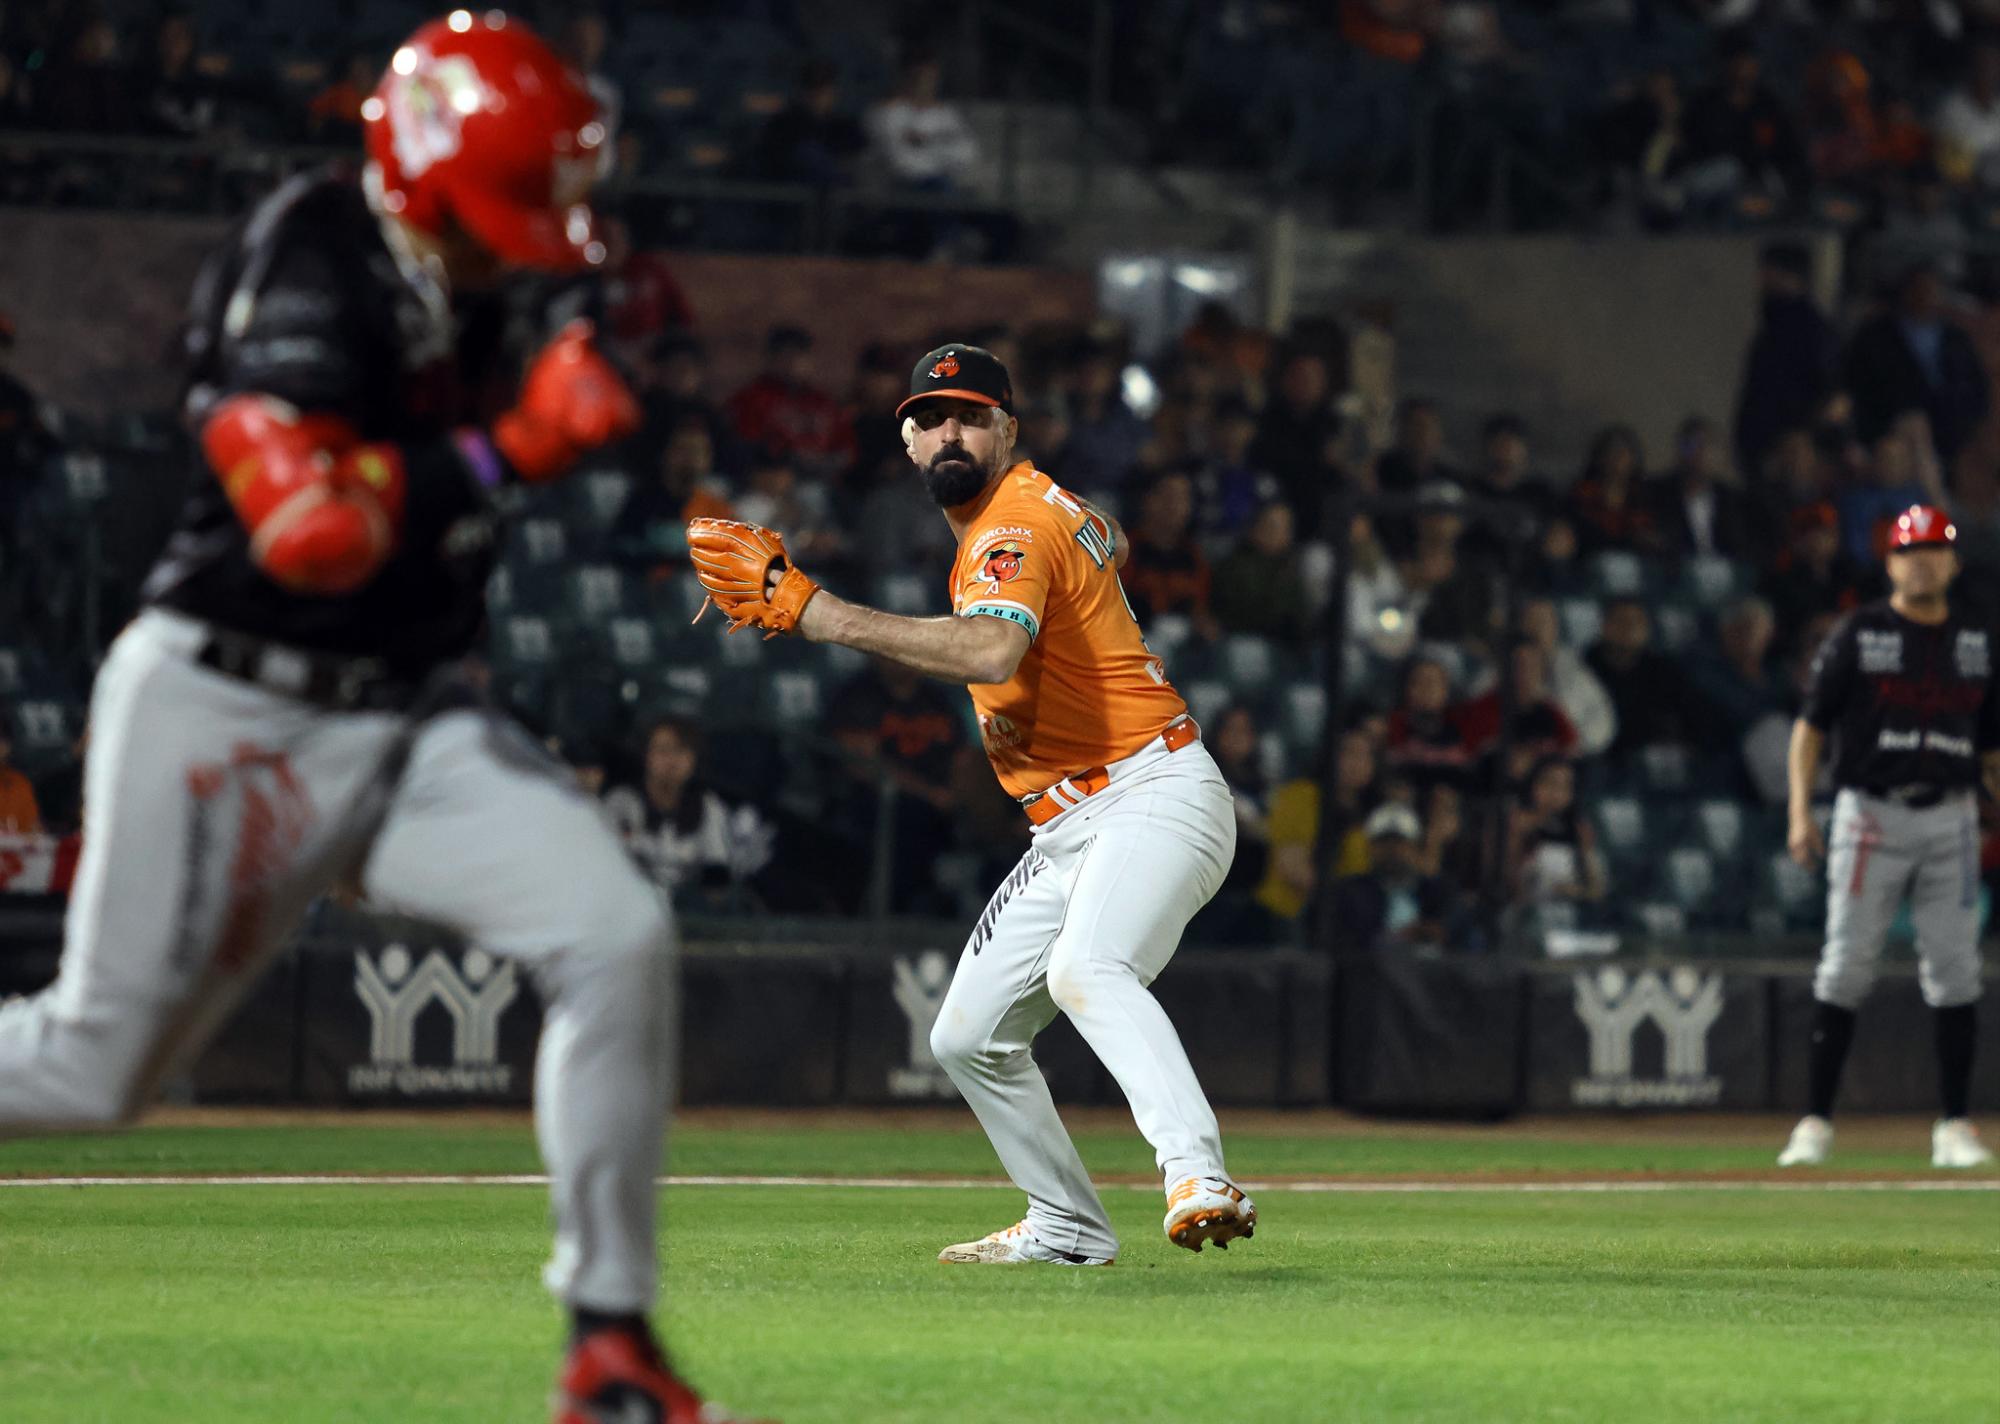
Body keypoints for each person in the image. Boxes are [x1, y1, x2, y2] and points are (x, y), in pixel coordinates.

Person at [0, 19, 764, 1424]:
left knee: (615, 935)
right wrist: (514, 448)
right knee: (86, 1071)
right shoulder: (308, 254)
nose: (526, 243)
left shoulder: (478, 288)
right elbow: (309, 535)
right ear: (421, 178)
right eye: (504, 209)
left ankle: (609, 1349)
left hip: (406, 723)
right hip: (231, 704)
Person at [686, 342, 1255, 1264]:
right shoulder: (1033, 510)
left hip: (1150, 791)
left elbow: (991, 653)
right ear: (908, 440)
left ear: (1008, 430)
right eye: (930, 417)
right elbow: (1106, 532)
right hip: (1074, 821)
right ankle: (1067, 1224)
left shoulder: (1011, 525)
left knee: (1087, 972)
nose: (949, 431)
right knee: (967, 1037)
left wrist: (811, 609)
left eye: (972, 415)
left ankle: (1198, 1173)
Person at [1778, 506, 1998, 1171]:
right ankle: (1815, 1122)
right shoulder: (1860, 632)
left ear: (1953, 561)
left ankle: (1954, 1125)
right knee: (1845, 964)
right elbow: (1811, 726)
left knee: (1956, 971)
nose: (1923, 559)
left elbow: (1992, 746)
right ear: (1891, 561)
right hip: (1871, 812)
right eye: (1911, 549)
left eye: (1935, 548)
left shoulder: (1977, 641)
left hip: (1952, 815)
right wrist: (1798, 811)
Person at [603, 717, 774, 908]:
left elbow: (716, 873)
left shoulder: (709, 807)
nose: (672, 761)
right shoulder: (621, 802)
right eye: (662, 751)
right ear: (645, 756)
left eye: (681, 751)